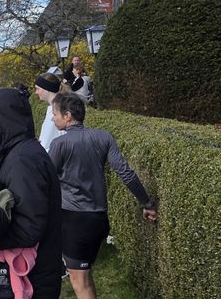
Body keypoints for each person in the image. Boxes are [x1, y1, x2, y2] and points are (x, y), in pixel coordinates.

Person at [48, 92, 157, 299]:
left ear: (68, 115)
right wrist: (146, 202)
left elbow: (46, 182)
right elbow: (126, 173)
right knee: (85, 278)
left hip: (73, 221)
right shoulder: (103, 137)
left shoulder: (59, 145)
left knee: (79, 282)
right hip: (99, 219)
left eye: (55, 114)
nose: (53, 118)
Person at [0, 88, 62, 298]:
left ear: (1, 120)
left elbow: (28, 228)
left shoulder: (23, 160)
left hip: (33, 278)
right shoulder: (17, 153)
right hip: (31, 274)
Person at [35, 73, 67, 152]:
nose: (36, 92)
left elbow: (46, 143)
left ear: (46, 89)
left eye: (37, 89)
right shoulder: (53, 108)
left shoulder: (56, 111)